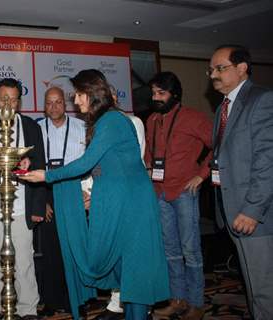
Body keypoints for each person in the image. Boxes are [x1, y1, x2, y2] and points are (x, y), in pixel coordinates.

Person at [21, 69, 170, 320]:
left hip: (132, 207)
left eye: (78, 95)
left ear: (91, 93)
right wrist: (93, 193)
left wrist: (46, 176)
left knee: (134, 274)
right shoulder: (104, 121)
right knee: (127, 273)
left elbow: (86, 163)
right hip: (119, 201)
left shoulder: (111, 120)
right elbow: (106, 167)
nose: (75, 101)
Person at [0, 78, 46, 318]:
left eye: (14, 99)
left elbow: (40, 164)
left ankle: (28, 309)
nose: (9, 104)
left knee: (24, 260)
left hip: (22, 206)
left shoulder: (32, 126)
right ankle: (2, 307)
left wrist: (37, 206)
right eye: (5, 99)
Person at [209, 45, 273, 320]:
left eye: (219, 68)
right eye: (210, 70)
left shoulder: (262, 100)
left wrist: (252, 210)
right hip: (233, 210)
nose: (213, 74)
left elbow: (267, 161)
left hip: (255, 216)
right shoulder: (223, 108)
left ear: (242, 68)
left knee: (264, 288)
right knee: (252, 286)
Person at [144, 72, 213, 320]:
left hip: (184, 192)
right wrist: (149, 166)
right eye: (153, 93)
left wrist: (201, 175)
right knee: (170, 250)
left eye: (161, 93)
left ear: (175, 94)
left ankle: (196, 304)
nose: (156, 98)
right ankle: (178, 299)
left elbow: (220, 144)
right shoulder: (152, 120)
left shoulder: (193, 118)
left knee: (190, 249)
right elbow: (150, 154)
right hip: (159, 192)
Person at [94, 85, 147, 320]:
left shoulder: (132, 121)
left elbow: (135, 161)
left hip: (130, 198)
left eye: (113, 95)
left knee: (133, 258)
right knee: (116, 255)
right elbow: (96, 164)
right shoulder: (100, 124)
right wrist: (89, 191)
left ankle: (141, 308)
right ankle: (117, 304)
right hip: (109, 197)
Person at [38, 86, 86, 313]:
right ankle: (51, 300)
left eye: (58, 102)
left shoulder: (82, 128)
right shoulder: (36, 129)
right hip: (46, 192)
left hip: (75, 190)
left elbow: (92, 164)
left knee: (76, 248)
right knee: (51, 251)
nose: (54, 107)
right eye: (49, 103)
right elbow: (33, 168)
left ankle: (77, 299)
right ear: (44, 105)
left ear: (66, 105)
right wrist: (41, 200)